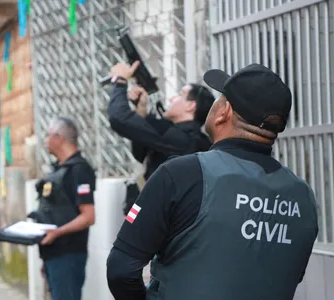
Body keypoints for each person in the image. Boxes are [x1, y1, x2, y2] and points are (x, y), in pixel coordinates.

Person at [106, 63, 319, 300]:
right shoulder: (303, 196)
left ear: (224, 112)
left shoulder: (182, 174)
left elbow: (121, 270)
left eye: (220, 97)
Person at [108, 61, 215, 214]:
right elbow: (140, 154)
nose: (171, 99)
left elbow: (118, 118)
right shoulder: (188, 137)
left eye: (180, 95)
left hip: (154, 220)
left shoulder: (180, 137)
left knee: (126, 238)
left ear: (191, 106)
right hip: (150, 216)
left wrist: (120, 81)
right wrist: (141, 111)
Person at [29, 117, 95, 300]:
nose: (46, 141)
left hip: (68, 253)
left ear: (59, 138)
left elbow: (89, 216)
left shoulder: (79, 170)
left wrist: (57, 233)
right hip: (54, 254)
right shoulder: (58, 170)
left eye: (48, 136)